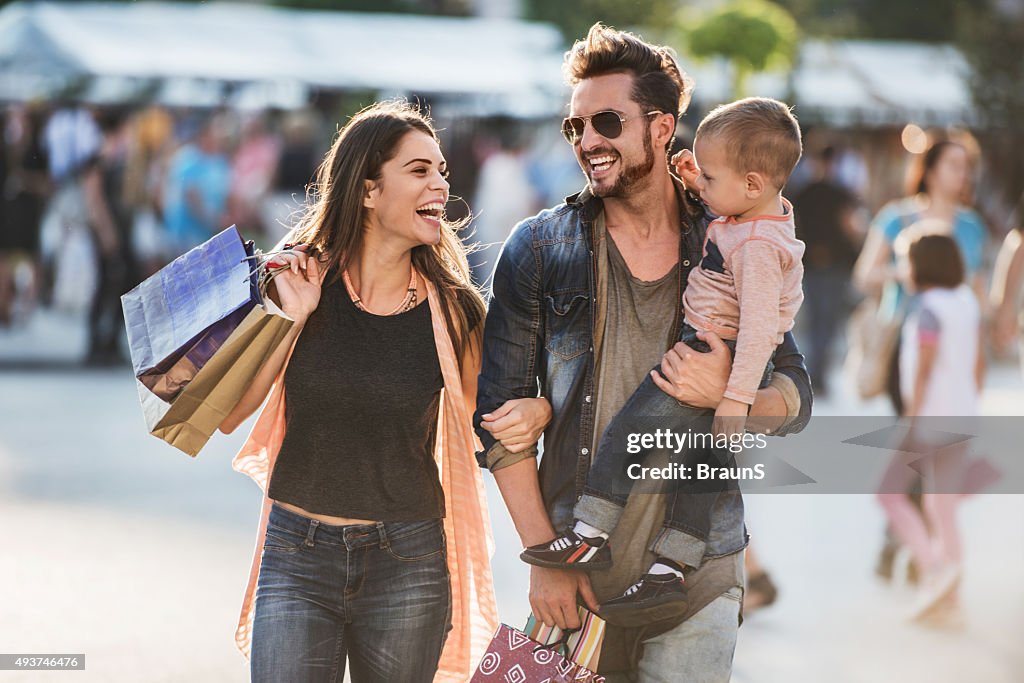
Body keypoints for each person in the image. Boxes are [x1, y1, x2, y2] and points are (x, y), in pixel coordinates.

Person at [475, 24, 812, 682]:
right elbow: (498, 422)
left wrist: (730, 393)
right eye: (575, 127)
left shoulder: (730, 239)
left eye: (606, 121)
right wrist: (543, 556)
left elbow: (795, 393)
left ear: (662, 128)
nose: (588, 141)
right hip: (578, 580)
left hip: (700, 578)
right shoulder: (539, 249)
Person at [219, 101, 497, 682]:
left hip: (409, 561)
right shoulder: (299, 279)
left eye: (442, 170)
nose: (441, 184)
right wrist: (291, 316)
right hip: (297, 556)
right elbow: (227, 414)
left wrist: (536, 409)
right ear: (369, 190)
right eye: (420, 171)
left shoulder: (456, 311)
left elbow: (488, 424)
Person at [519, 97, 806, 626]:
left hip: (715, 351)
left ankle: (588, 535)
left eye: (712, 178)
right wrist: (701, 179)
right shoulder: (751, 216)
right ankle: (669, 570)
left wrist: (735, 397)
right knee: (699, 467)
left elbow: (766, 329)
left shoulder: (761, 246)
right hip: (726, 352)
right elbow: (730, 210)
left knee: (632, 432)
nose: (703, 191)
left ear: (749, 185)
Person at [853, 139, 988, 583]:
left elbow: (980, 291)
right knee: (914, 446)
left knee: (924, 453)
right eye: (953, 165)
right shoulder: (898, 217)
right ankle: (914, 547)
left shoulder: (971, 227)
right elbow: (865, 274)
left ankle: (920, 550)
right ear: (928, 168)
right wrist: (908, 271)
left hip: (953, 355)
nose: (962, 174)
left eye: (967, 167)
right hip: (904, 348)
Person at [877, 228, 983, 628]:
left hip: (930, 420)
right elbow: (977, 364)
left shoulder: (927, 309)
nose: (904, 269)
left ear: (923, 264)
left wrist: (910, 424)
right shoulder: (965, 302)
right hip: (962, 415)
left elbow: (922, 371)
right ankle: (950, 599)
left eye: (906, 260)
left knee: (889, 496)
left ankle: (935, 570)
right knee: (943, 508)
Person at [792, 145, 864, 394]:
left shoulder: (802, 193)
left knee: (814, 320)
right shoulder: (841, 193)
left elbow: (794, 226)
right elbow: (850, 226)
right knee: (828, 321)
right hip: (836, 263)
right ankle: (818, 374)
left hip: (808, 262)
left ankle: (815, 372)